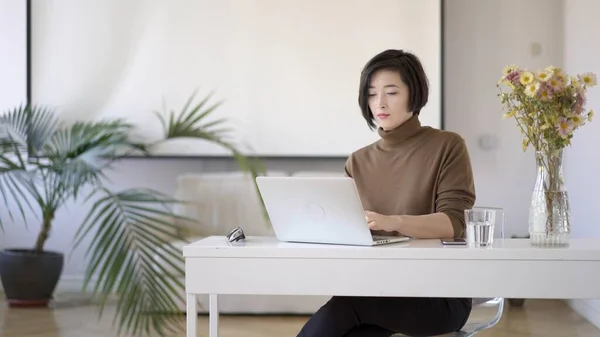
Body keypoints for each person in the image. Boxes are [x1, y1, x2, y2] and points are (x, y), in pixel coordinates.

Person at [296, 49, 476, 337]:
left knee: (348, 305)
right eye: (371, 94)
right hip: (377, 289)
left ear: (413, 94)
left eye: (391, 92)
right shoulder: (357, 161)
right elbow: (347, 230)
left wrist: (392, 222)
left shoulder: (448, 146)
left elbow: (453, 223)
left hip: (440, 296)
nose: (379, 103)